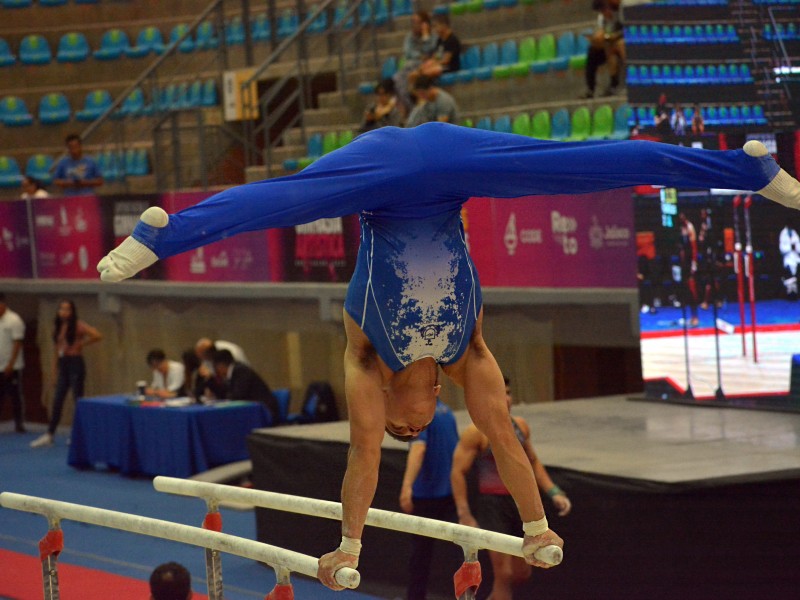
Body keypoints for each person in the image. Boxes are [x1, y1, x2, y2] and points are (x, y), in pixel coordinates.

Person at [96, 123, 800, 589]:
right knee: (599, 167)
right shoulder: (472, 357)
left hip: (393, 171)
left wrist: (350, 544)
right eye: (419, 424)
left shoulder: (367, 358)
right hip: (439, 173)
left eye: (406, 425)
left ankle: (747, 167)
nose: (418, 421)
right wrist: (533, 528)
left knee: (291, 196)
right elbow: (505, 440)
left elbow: (363, 459)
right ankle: (747, 167)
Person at [451, 376, 571, 600]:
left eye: (508, 392)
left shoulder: (521, 426)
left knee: (522, 572)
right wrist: (464, 513)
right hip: (493, 506)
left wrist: (553, 491)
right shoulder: (475, 433)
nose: (505, 399)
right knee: (503, 574)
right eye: (499, 393)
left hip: (518, 504)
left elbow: (532, 462)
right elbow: (457, 472)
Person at [399, 396, 459, 600]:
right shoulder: (447, 412)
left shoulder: (420, 417)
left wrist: (407, 485)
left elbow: (418, 449)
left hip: (427, 497)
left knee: (420, 557)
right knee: (457, 555)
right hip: (450, 493)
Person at [30, 300, 103, 448]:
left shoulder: (78, 325)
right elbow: (57, 350)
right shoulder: (57, 327)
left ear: (72, 312)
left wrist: (82, 344)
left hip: (75, 363)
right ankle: (50, 434)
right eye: (61, 309)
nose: (64, 312)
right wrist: (54, 371)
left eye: (67, 309)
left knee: (78, 400)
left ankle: (78, 435)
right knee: (57, 400)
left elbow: (97, 335)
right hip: (63, 364)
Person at [206, 349, 279, 422]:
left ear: (220, 366)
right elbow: (227, 394)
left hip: (264, 411)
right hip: (251, 410)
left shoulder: (241, 371)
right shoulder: (234, 372)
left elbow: (238, 395)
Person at [394, 10, 438, 115]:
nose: (414, 25)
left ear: (425, 23)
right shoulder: (409, 37)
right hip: (410, 65)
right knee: (397, 80)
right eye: (413, 22)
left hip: (424, 66)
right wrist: (419, 55)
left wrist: (425, 37)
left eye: (417, 22)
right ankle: (409, 107)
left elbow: (430, 51)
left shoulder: (433, 36)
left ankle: (413, 109)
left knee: (409, 79)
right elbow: (408, 52)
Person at [581, 0, 625, 99]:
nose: (604, 13)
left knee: (616, 48)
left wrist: (614, 36)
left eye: (604, 10)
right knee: (592, 51)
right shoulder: (602, 18)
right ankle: (590, 89)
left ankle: (617, 84)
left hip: (622, 41)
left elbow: (626, 30)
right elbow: (601, 32)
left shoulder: (620, 12)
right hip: (610, 44)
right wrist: (597, 39)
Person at [0, 293, 26, 433]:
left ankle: (19, 424)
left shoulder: (14, 320)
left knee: (15, 396)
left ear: (2, 305)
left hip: (12, 367)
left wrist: (11, 363)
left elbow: (17, 343)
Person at [414, 13, 461, 82]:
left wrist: (432, 64)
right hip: (439, 66)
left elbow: (446, 61)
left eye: (435, 26)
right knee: (415, 73)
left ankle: (426, 90)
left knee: (424, 74)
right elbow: (435, 57)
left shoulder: (452, 40)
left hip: (449, 68)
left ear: (444, 25)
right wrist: (427, 64)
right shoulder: (440, 40)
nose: (434, 29)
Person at [678, 212, 700, 327]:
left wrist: (694, 263)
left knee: (692, 289)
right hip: (683, 264)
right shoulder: (680, 229)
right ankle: (691, 317)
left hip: (690, 262)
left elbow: (694, 247)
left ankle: (695, 316)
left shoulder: (690, 227)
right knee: (686, 290)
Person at [779, 223, 800, 299]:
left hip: (796, 258)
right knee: (789, 278)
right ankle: (790, 295)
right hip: (788, 259)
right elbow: (781, 249)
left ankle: (796, 293)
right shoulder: (783, 234)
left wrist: (796, 248)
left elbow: (798, 246)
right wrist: (790, 247)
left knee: (796, 276)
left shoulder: (795, 233)